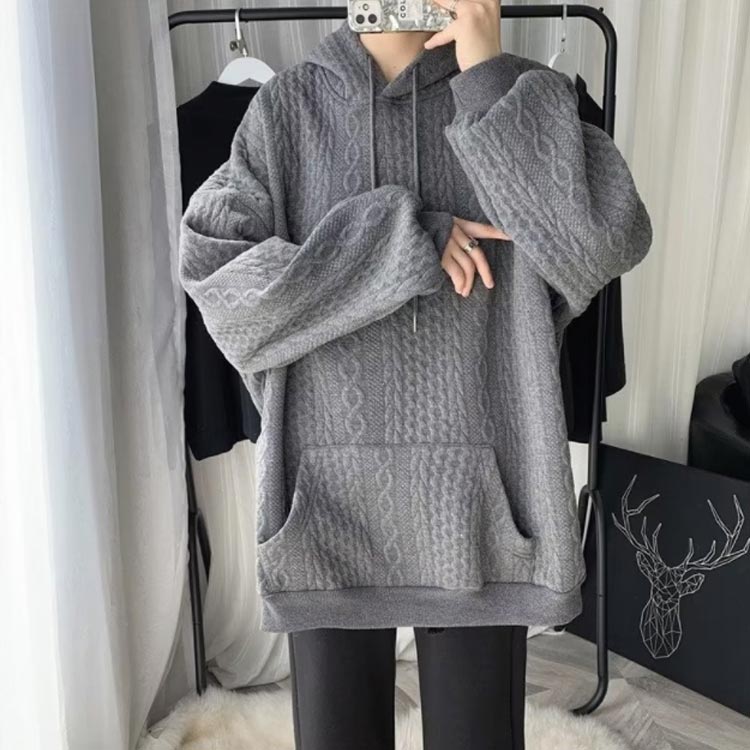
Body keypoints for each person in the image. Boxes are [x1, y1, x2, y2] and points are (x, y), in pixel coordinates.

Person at [178, 0, 653, 747]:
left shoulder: (521, 94)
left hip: (480, 512)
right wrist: (394, 243)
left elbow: (602, 244)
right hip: (326, 508)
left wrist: (487, 79)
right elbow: (221, 285)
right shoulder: (286, 110)